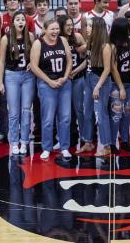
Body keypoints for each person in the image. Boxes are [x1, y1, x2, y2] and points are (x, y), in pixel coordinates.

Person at [30, 19, 73, 159]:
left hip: (64, 83)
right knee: (48, 118)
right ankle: (47, 147)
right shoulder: (38, 43)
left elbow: (70, 60)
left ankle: (64, 146)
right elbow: (34, 67)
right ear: (45, 29)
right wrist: (49, 81)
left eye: (56, 29)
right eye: (52, 29)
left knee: (65, 117)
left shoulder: (62, 40)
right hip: (46, 84)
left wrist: (65, 77)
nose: (55, 32)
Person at [0, 11, 35, 155]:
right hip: (11, 76)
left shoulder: (30, 37)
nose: (20, 22)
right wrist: (0, 82)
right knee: (13, 112)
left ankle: (24, 141)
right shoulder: (6, 38)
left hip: (28, 76)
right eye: (18, 19)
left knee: (26, 111)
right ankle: (14, 141)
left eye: (23, 19)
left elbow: (36, 55)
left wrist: (32, 62)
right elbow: (1, 61)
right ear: (13, 22)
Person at [80, 16, 114, 156]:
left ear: (97, 28)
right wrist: (75, 70)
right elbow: (88, 62)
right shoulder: (90, 42)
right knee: (87, 112)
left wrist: (97, 86)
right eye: (87, 25)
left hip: (100, 81)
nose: (87, 28)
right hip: (88, 78)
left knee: (100, 114)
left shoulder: (105, 46)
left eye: (90, 26)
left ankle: (106, 146)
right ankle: (88, 142)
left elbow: (107, 69)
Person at [58, 15, 87, 148]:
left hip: (77, 77)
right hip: (63, 79)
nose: (70, 27)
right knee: (64, 111)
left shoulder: (78, 37)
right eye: (67, 25)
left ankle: (84, 137)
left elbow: (88, 59)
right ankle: (65, 137)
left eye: (71, 24)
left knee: (79, 109)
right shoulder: (57, 39)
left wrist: (76, 71)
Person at [109, 18, 130, 152]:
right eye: (127, 26)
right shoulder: (113, 46)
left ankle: (125, 140)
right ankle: (112, 142)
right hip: (116, 85)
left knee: (126, 114)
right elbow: (113, 68)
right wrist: (120, 87)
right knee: (116, 115)